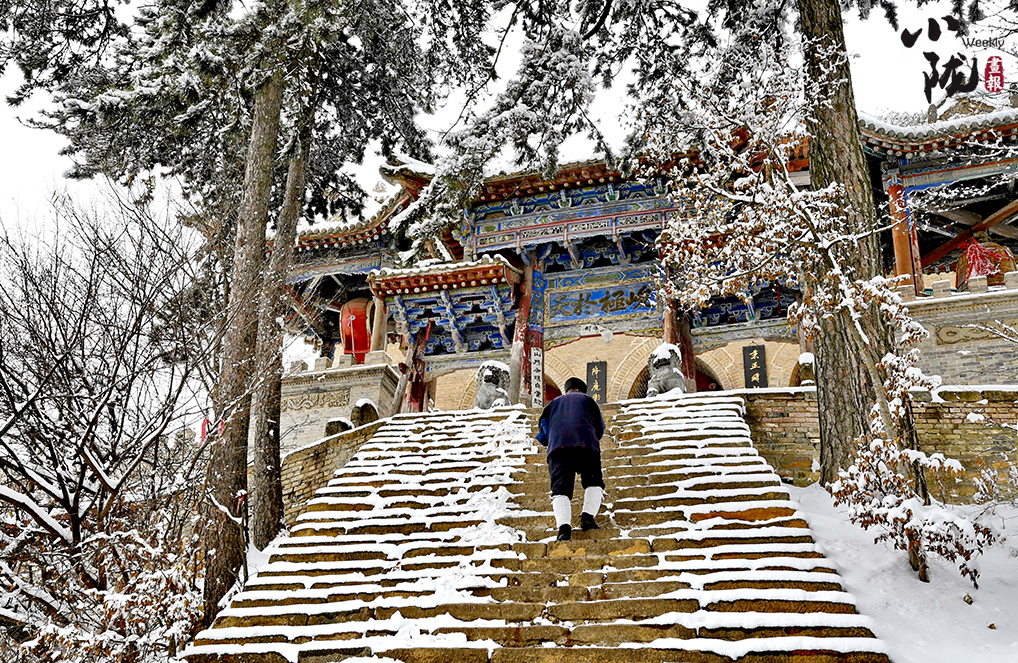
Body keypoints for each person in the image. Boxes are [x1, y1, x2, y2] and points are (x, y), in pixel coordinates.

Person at [535, 377, 606, 541]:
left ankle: (564, 529)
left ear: (566, 390)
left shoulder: (553, 403)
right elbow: (600, 427)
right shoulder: (588, 400)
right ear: (582, 390)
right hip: (586, 444)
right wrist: (592, 437)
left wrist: (551, 440)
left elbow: (543, 427)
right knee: (593, 481)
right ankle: (587, 517)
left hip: (558, 448)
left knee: (560, 489)